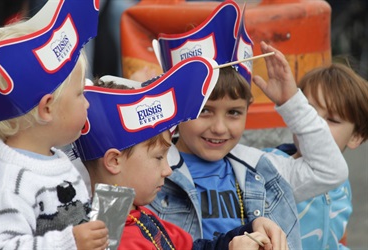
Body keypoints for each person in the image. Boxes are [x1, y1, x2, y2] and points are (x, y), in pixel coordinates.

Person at [147, 2, 348, 249]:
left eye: (233, 112)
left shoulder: (262, 168)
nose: (219, 128)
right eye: (205, 111)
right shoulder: (152, 169)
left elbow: (330, 170)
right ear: (180, 109)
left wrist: (290, 100)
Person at [75, 76, 289, 250]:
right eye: (159, 157)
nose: (167, 170)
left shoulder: (138, 214)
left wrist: (249, 231)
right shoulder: (108, 239)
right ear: (114, 161)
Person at [0, 1, 109, 249]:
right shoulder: (10, 179)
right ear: (47, 109)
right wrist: (71, 243)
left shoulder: (58, 158)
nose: (87, 104)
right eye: (80, 95)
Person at [263, 63, 368, 250]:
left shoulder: (342, 184)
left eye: (332, 120)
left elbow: (331, 241)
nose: (316, 125)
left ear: (355, 136)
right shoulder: (271, 170)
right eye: (308, 113)